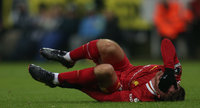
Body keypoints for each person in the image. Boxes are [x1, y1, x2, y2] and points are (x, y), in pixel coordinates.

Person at [28, 38, 185, 102]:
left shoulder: (143, 95)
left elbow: (108, 99)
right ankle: (68, 58)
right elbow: (166, 43)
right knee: (108, 46)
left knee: (106, 70)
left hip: (115, 84)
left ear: (159, 95)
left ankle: (54, 79)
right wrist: (170, 70)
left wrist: (81, 86)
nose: (169, 86)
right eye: (175, 86)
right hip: (125, 67)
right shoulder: (172, 75)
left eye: (168, 92)